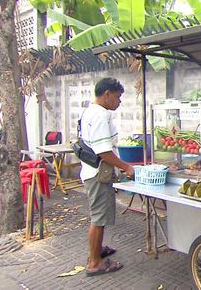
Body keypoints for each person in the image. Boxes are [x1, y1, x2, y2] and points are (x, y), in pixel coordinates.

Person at [79, 77, 134, 277]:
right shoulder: (101, 115)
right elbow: (103, 151)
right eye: (118, 97)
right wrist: (126, 166)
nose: (119, 102)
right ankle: (95, 263)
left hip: (91, 171)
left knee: (98, 216)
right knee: (99, 218)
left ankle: (98, 249)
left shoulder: (90, 111)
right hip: (98, 174)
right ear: (107, 94)